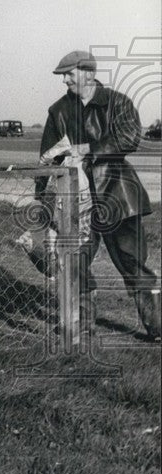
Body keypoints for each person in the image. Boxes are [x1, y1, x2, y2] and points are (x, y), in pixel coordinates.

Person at [36, 49, 161, 342]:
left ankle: (157, 328)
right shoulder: (58, 111)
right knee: (75, 262)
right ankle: (80, 324)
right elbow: (44, 161)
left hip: (118, 197)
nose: (64, 80)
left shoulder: (117, 102)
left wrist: (88, 149)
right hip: (76, 204)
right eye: (63, 75)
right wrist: (42, 203)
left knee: (134, 264)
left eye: (69, 73)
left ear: (89, 73)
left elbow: (130, 137)